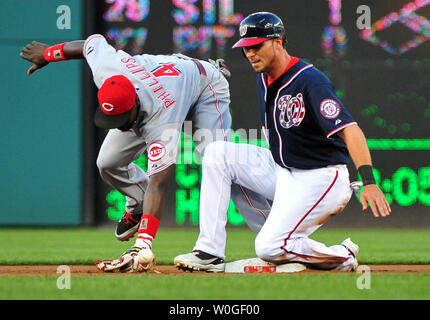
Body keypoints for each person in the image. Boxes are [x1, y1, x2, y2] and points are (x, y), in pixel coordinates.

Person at [20, 34, 271, 272]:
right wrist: (49, 54)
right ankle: (136, 202)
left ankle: (274, 240)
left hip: (204, 86)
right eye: (112, 118)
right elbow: (89, 44)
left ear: (134, 106)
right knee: (107, 162)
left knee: (221, 161)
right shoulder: (107, 69)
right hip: (166, 78)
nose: (117, 124)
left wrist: (144, 244)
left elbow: (159, 183)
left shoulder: (161, 117)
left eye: (121, 118)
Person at [174, 12, 391, 272]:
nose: (250, 53)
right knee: (218, 154)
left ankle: (341, 256)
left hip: (320, 177)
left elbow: (351, 130)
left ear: (278, 42)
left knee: (267, 247)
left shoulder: (310, 81)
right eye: (245, 48)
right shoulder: (263, 75)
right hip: (283, 171)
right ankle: (209, 251)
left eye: (257, 46)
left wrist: (368, 181)